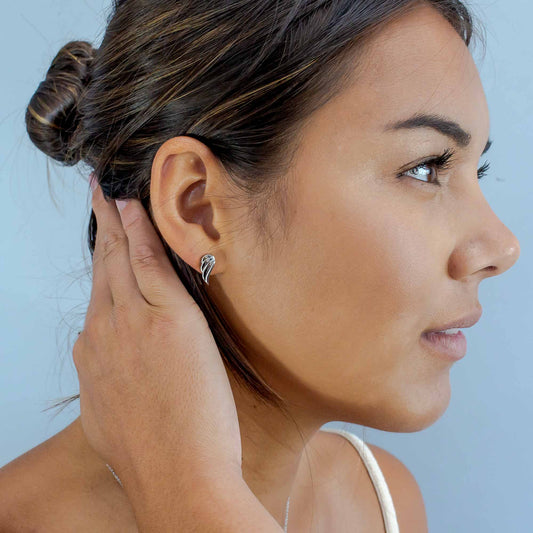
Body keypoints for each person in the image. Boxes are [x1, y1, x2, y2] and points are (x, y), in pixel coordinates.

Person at [0, 0, 521, 530]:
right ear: (198, 207)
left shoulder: (380, 500)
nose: (502, 247)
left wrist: (188, 494)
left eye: (476, 169)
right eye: (425, 167)